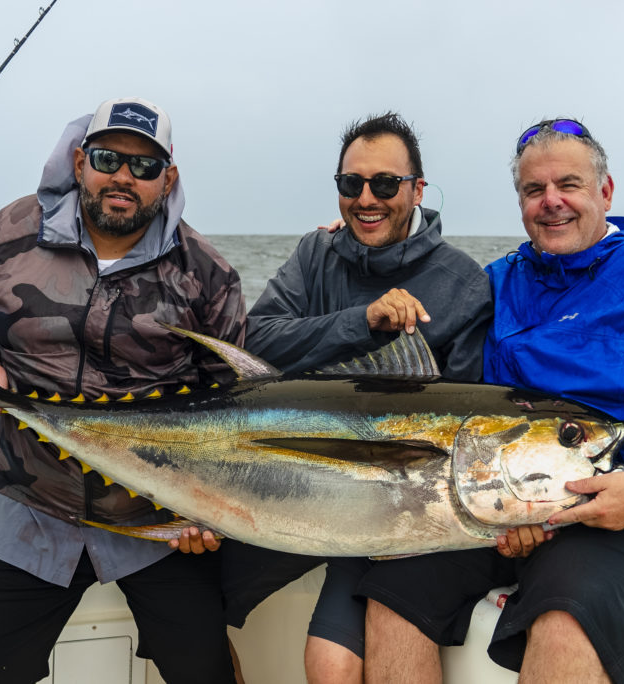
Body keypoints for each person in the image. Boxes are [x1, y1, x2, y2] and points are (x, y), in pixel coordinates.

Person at [357, 118, 624, 683]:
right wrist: (357, 249)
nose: (551, 203)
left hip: (611, 512)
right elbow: (409, 318)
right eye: (533, 190)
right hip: (493, 508)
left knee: (566, 618)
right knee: (393, 595)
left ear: (605, 191)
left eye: (567, 185)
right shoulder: (496, 283)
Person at [0, 97, 246, 683]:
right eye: (109, 158)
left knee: (206, 670)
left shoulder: (207, 273)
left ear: (169, 179)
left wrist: (210, 510)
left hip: (157, 521)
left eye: (145, 166)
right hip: (28, 508)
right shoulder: (6, 235)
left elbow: (230, 410)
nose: (124, 178)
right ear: (80, 161)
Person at [220, 112, 493, 683]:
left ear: (417, 189)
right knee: (183, 599)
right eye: (352, 184)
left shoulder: (464, 285)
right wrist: (361, 321)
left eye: (386, 184)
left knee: (330, 664)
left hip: (389, 511)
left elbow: (468, 426)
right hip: (292, 484)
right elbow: (258, 336)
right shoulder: (315, 255)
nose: (367, 199)